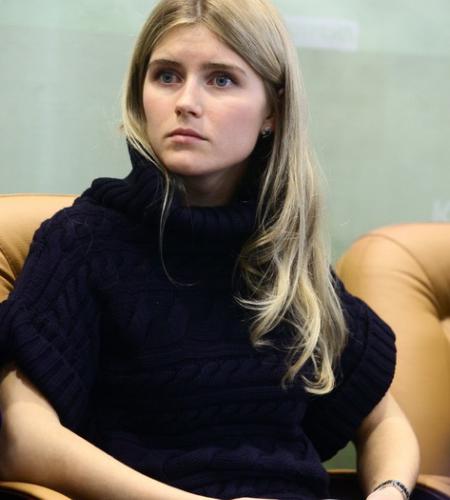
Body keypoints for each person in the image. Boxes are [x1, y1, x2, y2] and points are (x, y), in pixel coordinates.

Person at [0, 0, 419, 499]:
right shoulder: (82, 242)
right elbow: (22, 439)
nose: (186, 102)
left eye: (221, 79)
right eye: (167, 76)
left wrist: (390, 491)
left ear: (272, 111)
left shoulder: (284, 255)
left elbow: (384, 421)